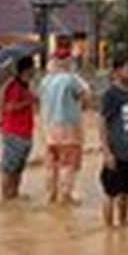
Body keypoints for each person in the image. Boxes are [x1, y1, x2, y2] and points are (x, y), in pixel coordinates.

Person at [39, 39, 91, 205]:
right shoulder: (71, 79)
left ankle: (50, 195)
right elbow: (86, 98)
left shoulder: (45, 81)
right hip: (69, 128)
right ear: (69, 61)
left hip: (48, 128)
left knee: (51, 165)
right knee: (68, 163)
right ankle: (65, 196)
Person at [98, 56, 128, 228]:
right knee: (110, 192)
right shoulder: (110, 95)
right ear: (117, 72)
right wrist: (106, 152)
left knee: (127, 191)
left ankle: (124, 223)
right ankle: (109, 230)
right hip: (115, 152)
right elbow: (102, 123)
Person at [0, 55, 38, 200]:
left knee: (18, 168)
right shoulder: (14, 87)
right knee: (9, 169)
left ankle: (14, 194)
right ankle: (6, 196)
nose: (35, 72)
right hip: (14, 133)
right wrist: (29, 102)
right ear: (26, 70)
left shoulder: (24, 86)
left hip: (24, 132)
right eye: (33, 68)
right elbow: (9, 107)